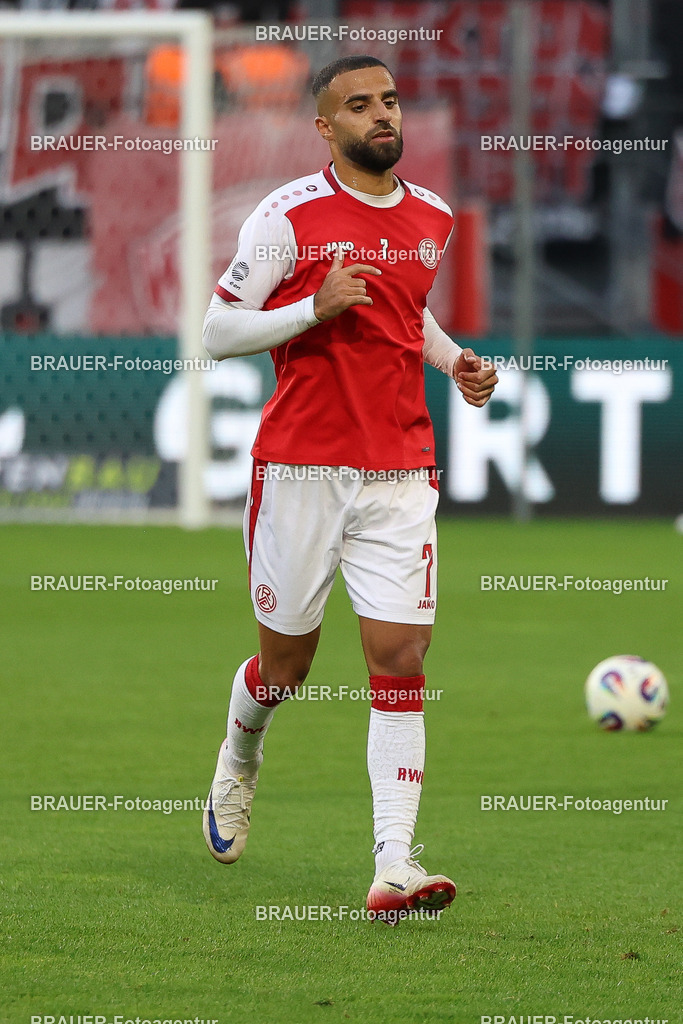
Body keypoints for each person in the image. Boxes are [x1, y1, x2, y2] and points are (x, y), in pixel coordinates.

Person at [201, 54, 498, 925]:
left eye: (390, 101)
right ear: (324, 128)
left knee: (400, 658)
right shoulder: (286, 215)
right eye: (359, 105)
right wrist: (311, 309)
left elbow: (406, 311)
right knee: (285, 669)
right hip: (299, 469)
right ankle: (239, 758)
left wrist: (453, 361)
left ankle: (394, 863)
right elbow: (216, 329)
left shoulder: (432, 216)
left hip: (399, 470)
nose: (381, 114)